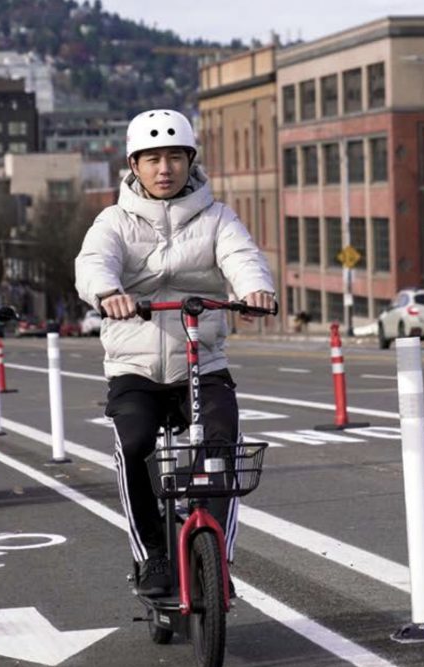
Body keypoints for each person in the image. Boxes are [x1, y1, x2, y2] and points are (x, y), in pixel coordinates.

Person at [75, 108, 276, 597]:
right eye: (152, 159)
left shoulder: (217, 217)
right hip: (135, 369)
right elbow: (93, 262)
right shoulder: (114, 220)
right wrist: (107, 293)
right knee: (137, 442)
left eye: (174, 158)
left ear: (190, 161)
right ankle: (151, 555)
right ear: (134, 165)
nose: (164, 169)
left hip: (201, 363)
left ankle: (219, 559)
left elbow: (241, 255)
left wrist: (255, 290)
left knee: (222, 445)